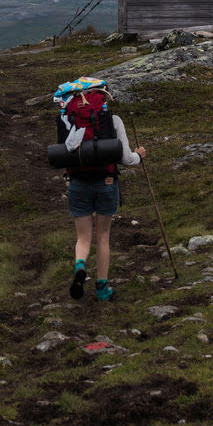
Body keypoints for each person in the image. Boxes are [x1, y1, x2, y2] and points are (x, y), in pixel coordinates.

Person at [63, 91, 145, 302]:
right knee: (102, 236)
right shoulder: (114, 120)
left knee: (83, 237)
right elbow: (127, 158)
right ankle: (102, 288)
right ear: (102, 99)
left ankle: (80, 264)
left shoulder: (68, 119)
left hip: (78, 183)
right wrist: (140, 156)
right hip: (106, 182)